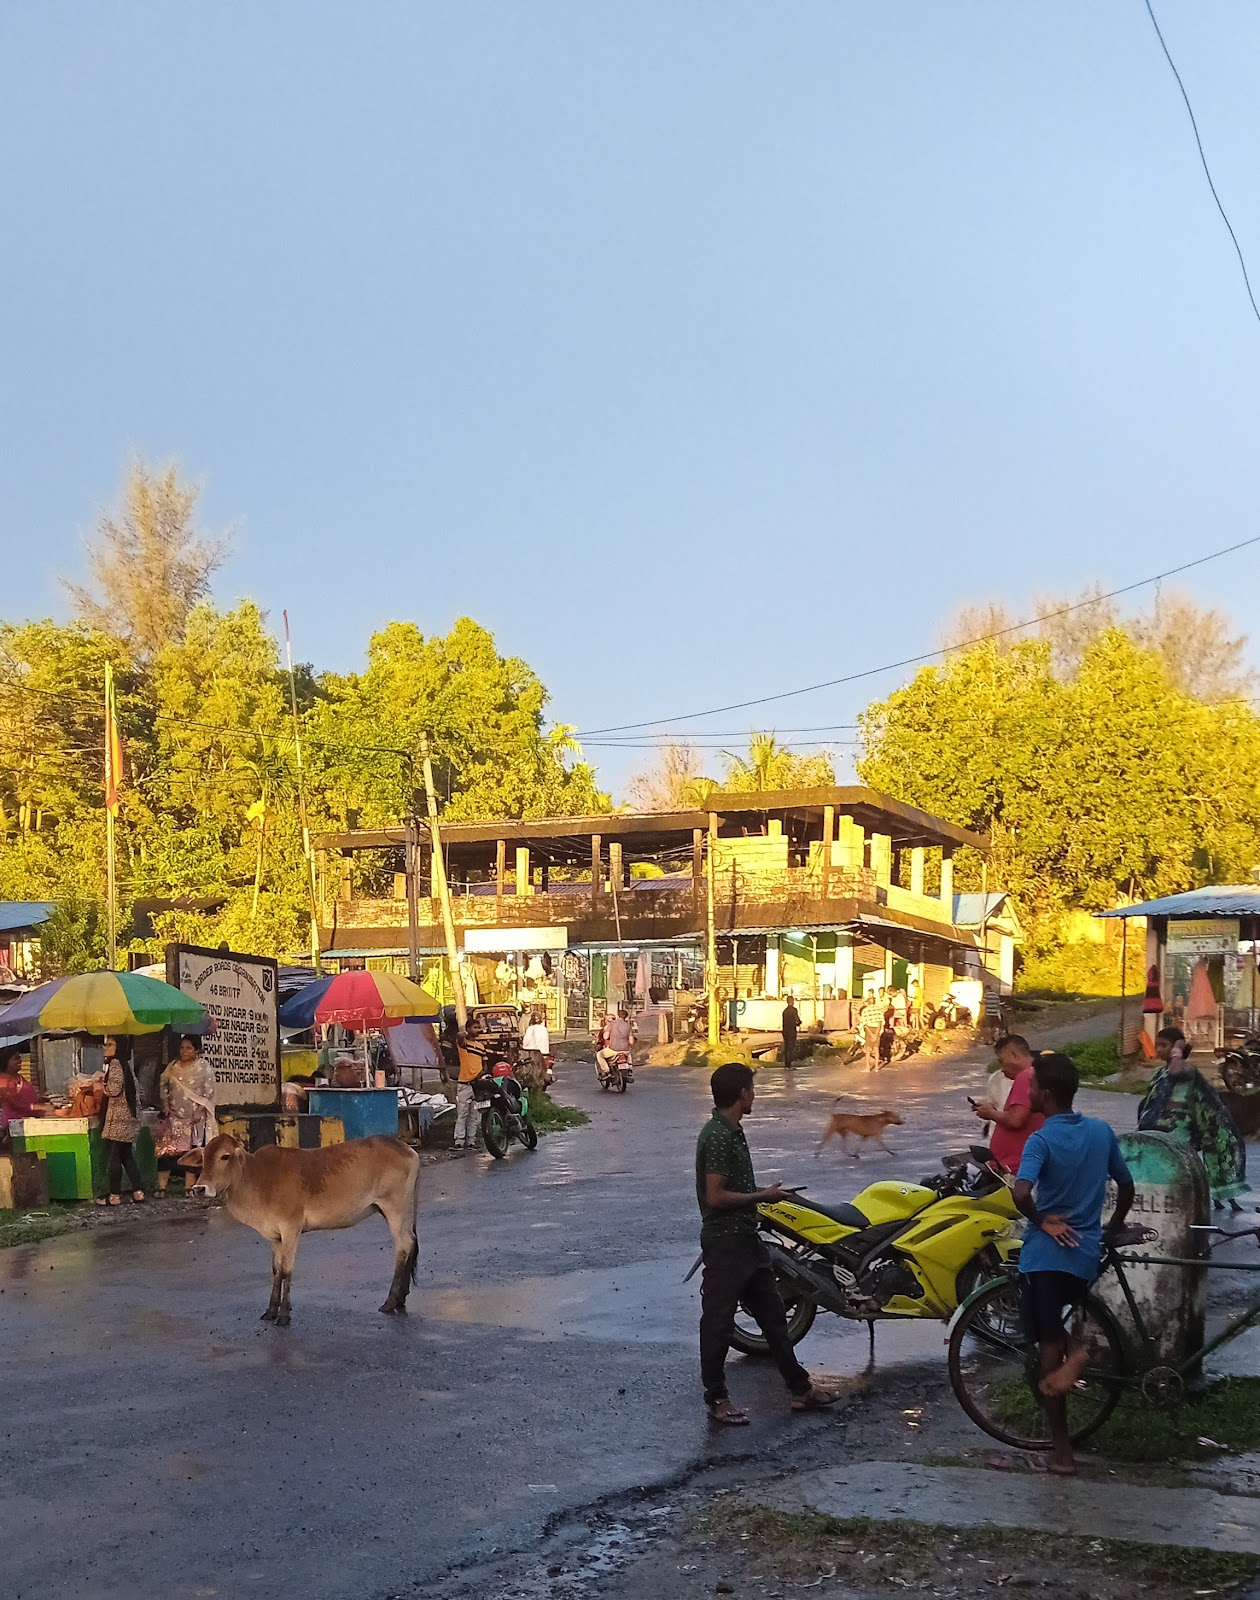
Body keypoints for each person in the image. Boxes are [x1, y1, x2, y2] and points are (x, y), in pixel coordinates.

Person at [695, 1061, 840, 1424]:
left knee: (774, 1318)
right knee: (718, 1323)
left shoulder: (732, 1130)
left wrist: (761, 1200)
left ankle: (800, 1390)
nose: (754, 1095)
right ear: (742, 1093)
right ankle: (717, 1399)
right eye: (752, 1089)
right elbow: (715, 1196)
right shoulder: (717, 1136)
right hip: (726, 1243)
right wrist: (762, 1197)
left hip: (747, 1240)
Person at [1013, 1051, 1134, 1475]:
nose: (1028, 1092)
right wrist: (1110, 1228)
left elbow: (1021, 1193)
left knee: (1047, 1347)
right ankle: (1072, 1351)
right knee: (1043, 1325)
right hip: (1085, 1256)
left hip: (1046, 1257)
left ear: (1044, 1095)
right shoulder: (1100, 1131)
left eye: (1032, 1088)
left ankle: (1061, 1452)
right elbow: (1126, 1183)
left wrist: (1042, 1221)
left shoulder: (1041, 1140)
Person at [1138, 1026, 1248, 1209]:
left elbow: (1175, 1073)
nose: (1158, 1050)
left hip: (1185, 1128)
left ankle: (1207, 1196)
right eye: (1157, 1045)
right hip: (1163, 1126)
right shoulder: (1159, 1073)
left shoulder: (1187, 1069)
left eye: (1164, 1045)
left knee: (1181, 1160)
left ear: (1177, 1048)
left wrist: (1178, 1050)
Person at [971, 1033, 1045, 1173]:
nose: (1002, 1069)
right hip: (1026, 1162)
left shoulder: (1025, 1077)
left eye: (1001, 1061)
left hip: (1016, 1167)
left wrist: (991, 1114)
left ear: (1014, 1055)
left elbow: (1015, 1120)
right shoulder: (1039, 1074)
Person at [154, 1036, 217, 1196]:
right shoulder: (172, 1067)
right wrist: (166, 1105)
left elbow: (208, 1092)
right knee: (166, 1153)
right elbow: (163, 1085)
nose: (184, 1051)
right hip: (174, 1118)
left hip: (194, 1119)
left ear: (196, 1050)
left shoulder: (204, 1068)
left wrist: (198, 1112)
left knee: (192, 1153)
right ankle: (161, 1187)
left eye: (188, 1048)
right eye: (182, 1048)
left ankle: (188, 1187)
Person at [96, 1035, 146, 1206]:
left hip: (118, 1119)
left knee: (114, 1158)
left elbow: (114, 1089)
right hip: (129, 1118)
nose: (106, 1048)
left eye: (110, 1044)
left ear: (119, 1047)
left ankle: (114, 1195)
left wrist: (101, 1085)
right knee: (127, 1157)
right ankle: (138, 1191)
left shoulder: (115, 1064)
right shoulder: (126, 1064)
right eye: (105, 1044)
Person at [0, 1046, 50, 1146]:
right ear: (6, 1062)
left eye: (20, 1058)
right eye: (16, 1058)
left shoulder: (19, 1077)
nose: (20, 1061)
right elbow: (13, 1102)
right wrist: (37, 1107)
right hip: (14, 1128)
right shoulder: (4, 1082)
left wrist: (40, 1100)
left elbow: (24, 1098)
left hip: (29, 1122)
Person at [453, 1018, 487, 1151]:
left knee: (474, 1114)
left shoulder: (481, 1046)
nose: (478, 1030)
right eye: (475, 1027)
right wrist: (466, 1033)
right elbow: (459, 1036)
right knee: (462, 1113)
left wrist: (481, 1073)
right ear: (468, 1029)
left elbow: (484, 1064)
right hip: (464, 1083)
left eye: (479, 1028)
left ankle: (471, 1141)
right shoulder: (463, 1044)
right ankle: (459, 1141)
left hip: (477, 1084)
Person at [597, 1004, 636, 1082]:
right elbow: (631, 1041)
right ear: (626, 1017)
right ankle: (629, 1069)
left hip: (613, 1050)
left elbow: (605, 1037)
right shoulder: (628, 1026)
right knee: (629, 1055)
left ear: (618, 1016)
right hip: (625, 1050)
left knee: (599, 1055)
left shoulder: (612, 1024)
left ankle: (606, 1071)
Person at [858, 991, 883, 1071]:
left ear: (868, 1003)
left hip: (869, 1030)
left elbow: (864, 1024)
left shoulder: (865, 1011)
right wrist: (876, 1034)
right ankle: (876, 1067)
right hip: (877, 1029)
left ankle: (867, 1067)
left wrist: (871, 1034)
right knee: (876, 1049)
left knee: (868, 1049)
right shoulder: (879, 1010)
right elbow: (880, 1022)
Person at [781, 995, 800, 1070]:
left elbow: (784, 1022)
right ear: (792, 1001)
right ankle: (789, 1064)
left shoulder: (784, 1011)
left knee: (786, 1047)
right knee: (791, 1047)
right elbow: (797, 1020)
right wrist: (799, 1023)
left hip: (785, 1031)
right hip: (792, 1030)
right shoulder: (794, 1010)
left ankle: (786, 1064)